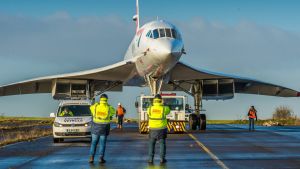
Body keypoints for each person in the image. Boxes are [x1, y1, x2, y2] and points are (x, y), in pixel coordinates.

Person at [89, 94, 115, 163]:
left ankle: (91, 158)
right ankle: (101, 158)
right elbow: (113, 112)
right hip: (104, 128)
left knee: (94, 143)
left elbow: (90, 108)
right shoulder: (109, 108)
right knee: (102, 144)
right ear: (107, 99)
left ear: (100, 99)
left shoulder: (95, 106)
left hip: (95, 127)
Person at [147, 94, 170, 164]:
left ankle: (150, 159)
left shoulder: (150, 108)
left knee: (151, 144)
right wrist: (164, 104)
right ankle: (162, 159)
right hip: (161, 129)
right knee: (162, 144)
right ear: (161, 100)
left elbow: (148, 113)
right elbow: (168, 111)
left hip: (152, 129)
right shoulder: (164, 108)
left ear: (154, 100)